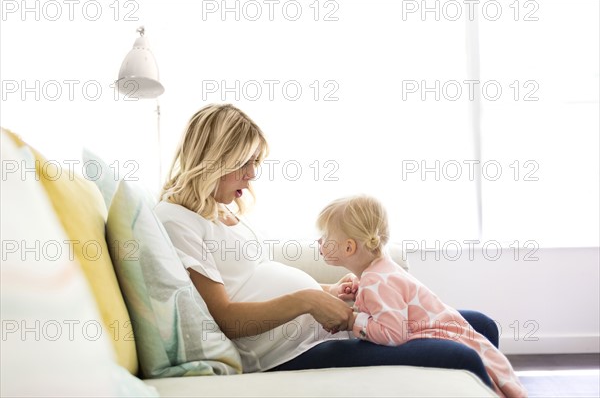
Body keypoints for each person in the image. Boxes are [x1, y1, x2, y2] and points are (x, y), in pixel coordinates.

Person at [154, 103, 499, 387]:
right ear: (214, 158)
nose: (252, 174)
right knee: (461, 356)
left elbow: (256, 278)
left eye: (254, 163)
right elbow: (228, 319)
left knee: (480, 325)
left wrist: (329, 291)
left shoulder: (223, 212)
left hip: (323, 331)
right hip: (288, 354)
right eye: (243, 163)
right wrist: (309, 300)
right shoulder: (175, 219)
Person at [316, 195, 527, 397]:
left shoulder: (375, 281)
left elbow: (393, 333)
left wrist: (354, 320)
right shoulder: (381, 269)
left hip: (431, 332)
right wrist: (360, 288)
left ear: (349, 247)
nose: (319, 241)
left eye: (325, 237)